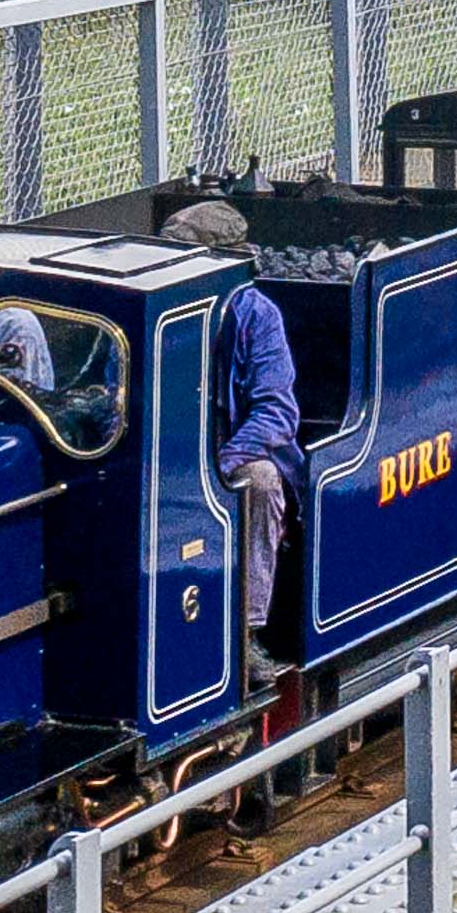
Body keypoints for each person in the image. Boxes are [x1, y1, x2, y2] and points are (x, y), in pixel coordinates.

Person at [166, 198, 301, 651]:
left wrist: (220, 463)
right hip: (172, 449)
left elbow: (277, 414)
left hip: (233, 453)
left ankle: (248, 630)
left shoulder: (257, 316)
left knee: (260, 483)